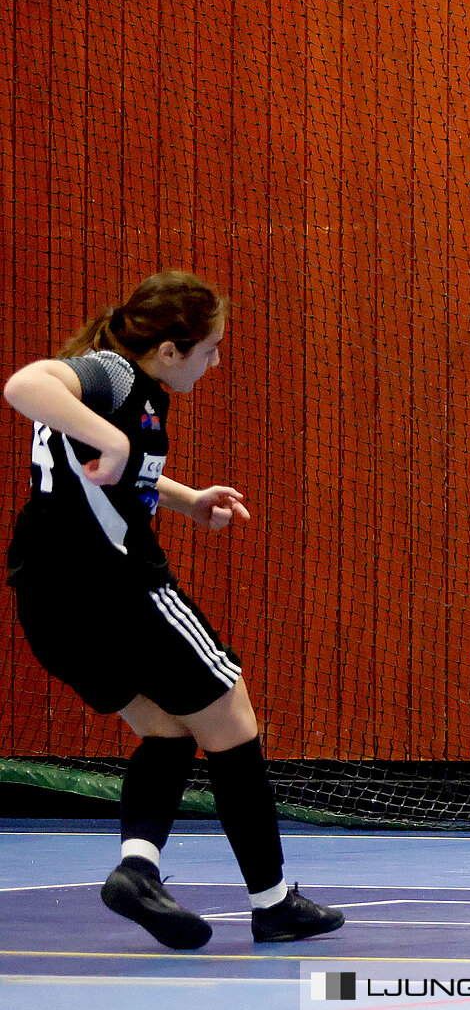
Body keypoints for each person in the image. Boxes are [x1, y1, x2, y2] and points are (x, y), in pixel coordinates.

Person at [4, 271, 346, 947]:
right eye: (210, 349)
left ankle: (138, 869)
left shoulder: (128, 390)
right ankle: (274, 901)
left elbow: (92, 463)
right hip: (118, 592)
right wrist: (120, 443)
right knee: (233, 716)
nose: (216, 362)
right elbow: (23, 386)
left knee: (167, 726)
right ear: (167, 349)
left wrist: (183, 497)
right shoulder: (113, 375)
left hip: (48, 600)